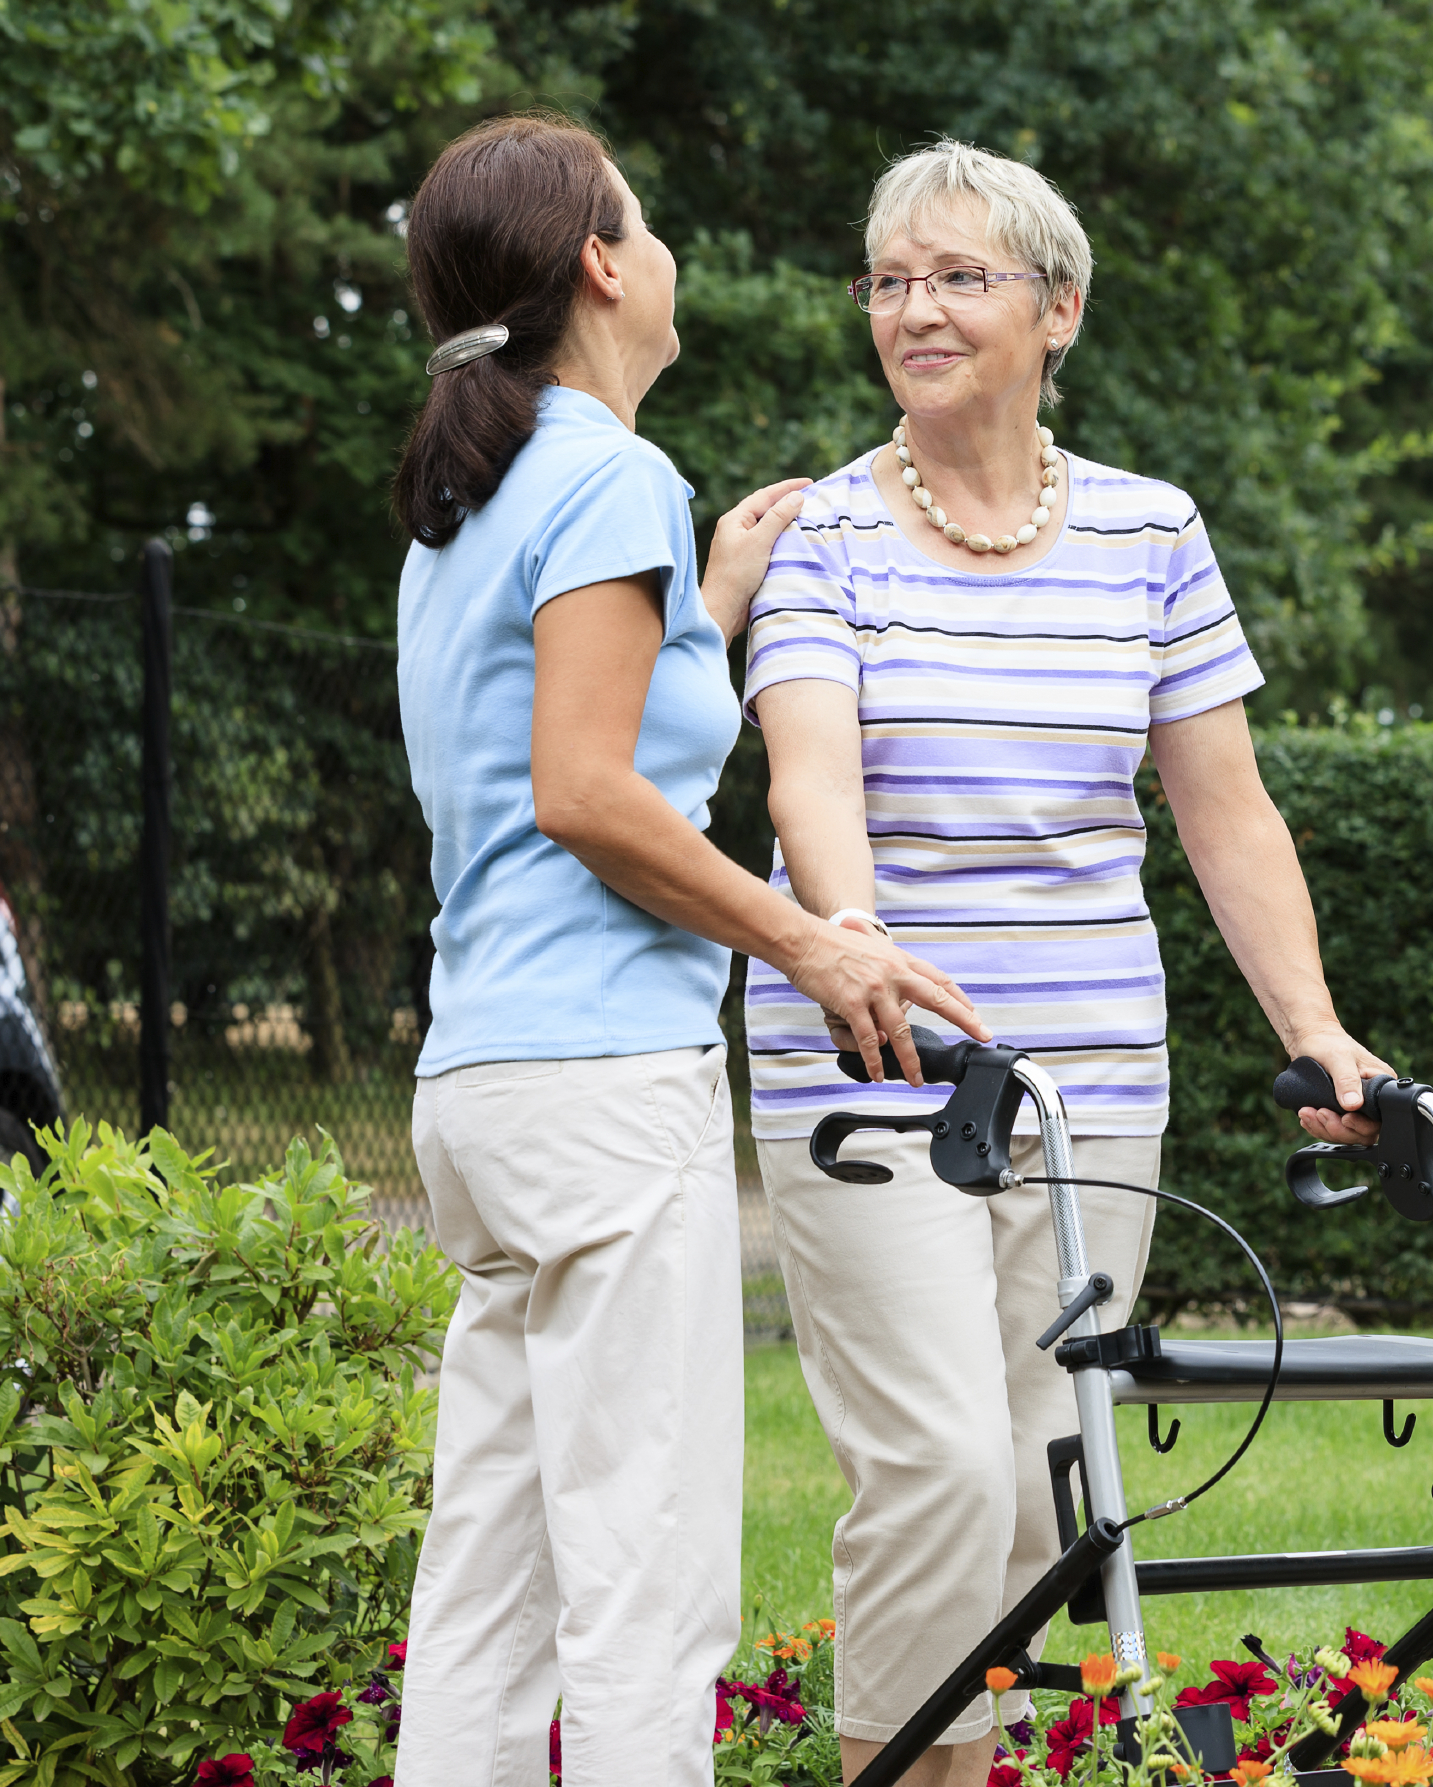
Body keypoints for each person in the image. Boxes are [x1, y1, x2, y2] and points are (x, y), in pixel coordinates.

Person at [734, 139, 1387, 1787]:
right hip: (879, 1071)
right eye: (891, 280)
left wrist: (1316, 1028)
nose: (916, 308)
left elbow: (1225, 814)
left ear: (1060, 309)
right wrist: (856, 947)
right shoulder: (824, 536)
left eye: (959, 276)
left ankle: (984, 1767)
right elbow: (807, 774)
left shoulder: (1150, 532)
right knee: (940, 1463)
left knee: (1041, 1469)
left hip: (1096, 1078)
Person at [388, 114, 989, 1787]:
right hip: (601, 1091)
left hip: (486, 1092)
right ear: (597, 262)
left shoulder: (472, 502)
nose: (663, 253)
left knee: (489, 1591)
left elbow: (573, 753)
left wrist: (708, 601)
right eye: (643, 224)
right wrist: (811, 941)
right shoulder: (602, 474)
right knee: (648, 1588)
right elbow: (588, 795)